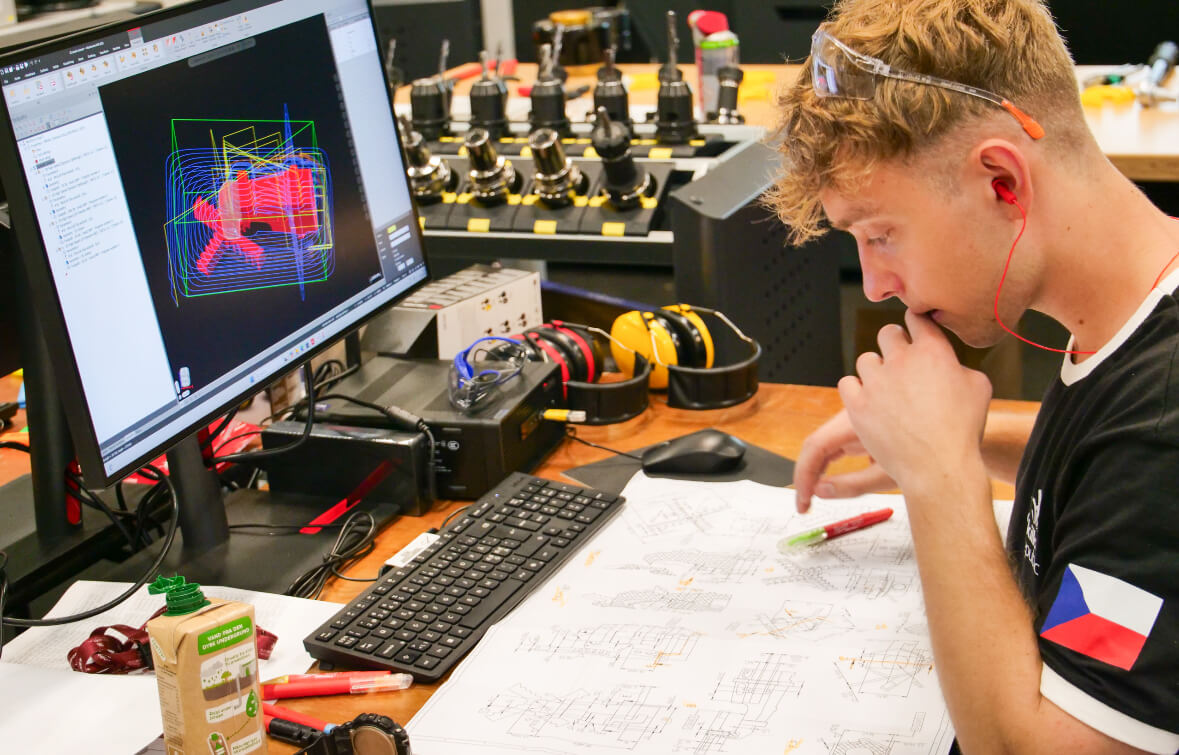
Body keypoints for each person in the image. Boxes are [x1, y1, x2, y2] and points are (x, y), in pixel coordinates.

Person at [768, 1, 1179, 752]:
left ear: (1001, 182)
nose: (874, 285)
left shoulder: (1163, 419)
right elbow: (1111, 488)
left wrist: (939, 474)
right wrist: (966, 438)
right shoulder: (1135, 321)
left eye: (881, 233)